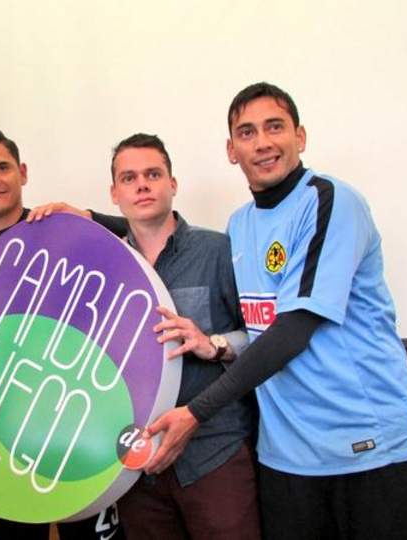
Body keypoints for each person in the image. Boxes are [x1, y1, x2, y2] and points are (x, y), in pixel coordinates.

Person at [146, 82, 407, 540]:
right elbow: (256, 327)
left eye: (275, 127)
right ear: (231, 150)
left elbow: (293, 331)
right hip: (287, 459)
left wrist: (195, 413)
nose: (262, 142)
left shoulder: (329, 201)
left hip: (366, 448)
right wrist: (216, 344)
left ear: (300, 136)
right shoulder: (241, 224)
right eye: (247, 132)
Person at [0, 128, 125, 540]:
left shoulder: (65, 231)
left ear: (22, 172)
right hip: (5, 437)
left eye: (2, 168)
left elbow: (142, 233)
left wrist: (88, 217)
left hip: (81, 425)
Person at [106, 133, 259, 540]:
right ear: (114, 194)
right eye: (129, 178)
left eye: (153, 174)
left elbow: (263, 338)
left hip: (214, 453)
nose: (142, 185)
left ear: (172, 184)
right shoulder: (107, 269)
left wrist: (214, 344)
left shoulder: (219, 251)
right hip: (138, 463)